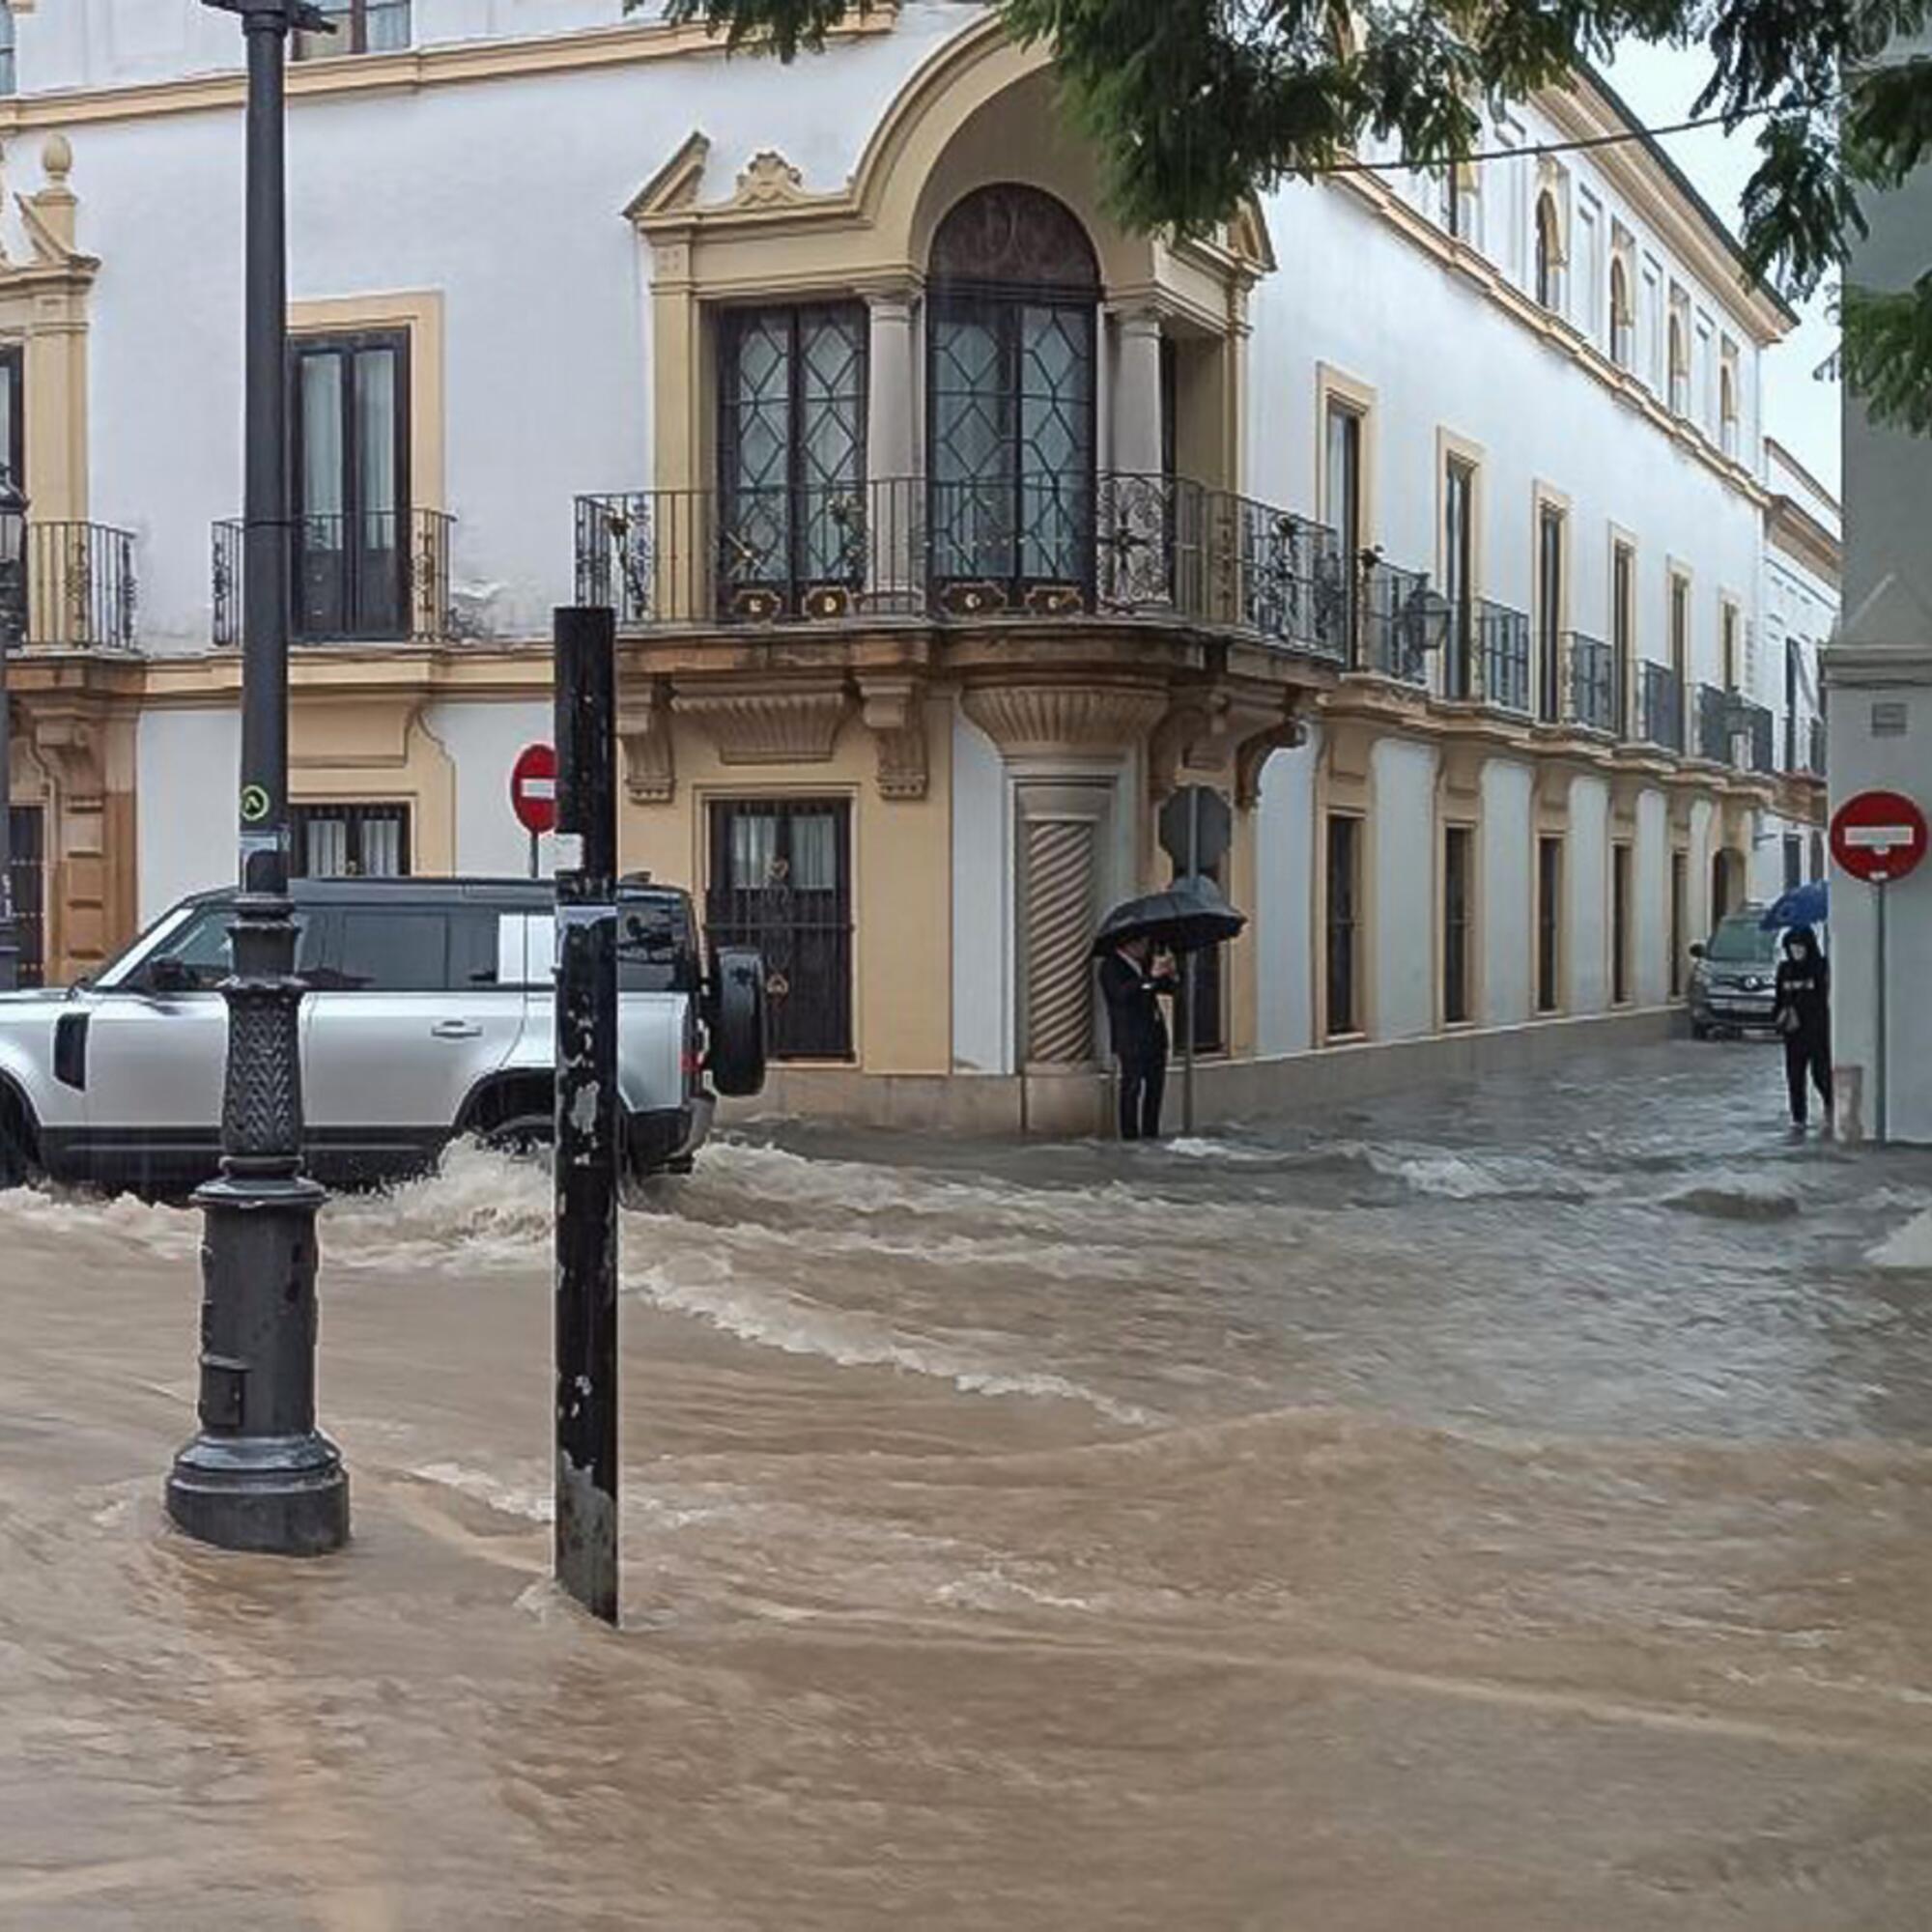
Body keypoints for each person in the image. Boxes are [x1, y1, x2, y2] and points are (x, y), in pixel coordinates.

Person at [1099, 935, 1177, 1142]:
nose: (1147, 947)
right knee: (1132, 1087)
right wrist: (1148, 978)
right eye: (1143, 943)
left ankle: (1151, 1132)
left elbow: (1169, 989)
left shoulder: (1144, 965)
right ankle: (1130, 1135)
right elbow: (1121, 995)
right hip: (1131, 1038)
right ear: (1129, 944)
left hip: (1154, 1036)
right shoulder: (1111, 967)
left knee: (1155, 1089)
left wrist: (1170, 974)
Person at [1773, 923, 1833, 1132]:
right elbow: (1778, 999)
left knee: (1821, 1075)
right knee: (1794, 1077)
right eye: (1791, 947)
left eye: (1800, 947)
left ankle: (1830, 1105)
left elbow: (1826, 998)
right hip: (1794, 1034)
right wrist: (1779, 1017)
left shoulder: (1821, 967)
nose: (1796, 951)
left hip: (1817, 1032)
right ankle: (1798, 1118)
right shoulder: (1785, 970)